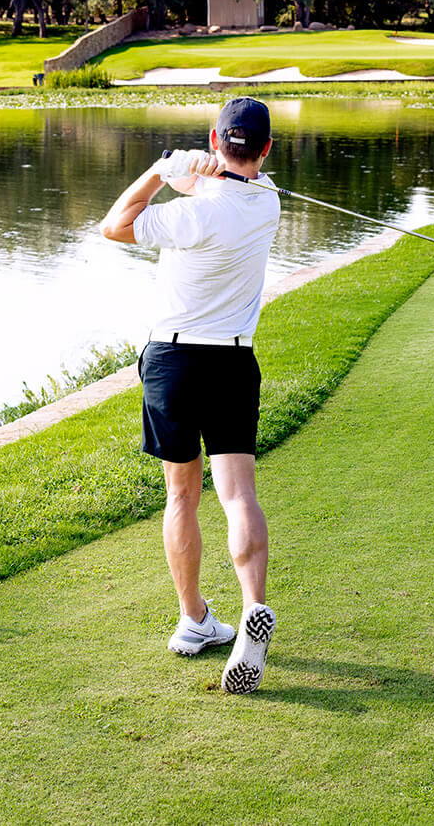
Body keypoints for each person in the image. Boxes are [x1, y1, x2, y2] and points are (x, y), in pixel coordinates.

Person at [100, 96, 281, 694]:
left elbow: (114, 225)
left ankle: (194, 619)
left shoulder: (191, 214)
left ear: (212, 139)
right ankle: (253, 604)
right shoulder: (269, 203)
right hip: (233, 359)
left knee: (183, 494)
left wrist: (160, 170)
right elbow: (239, 184)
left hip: (174, 360)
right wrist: (207, 173)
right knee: (237, 494)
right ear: (266, 149)